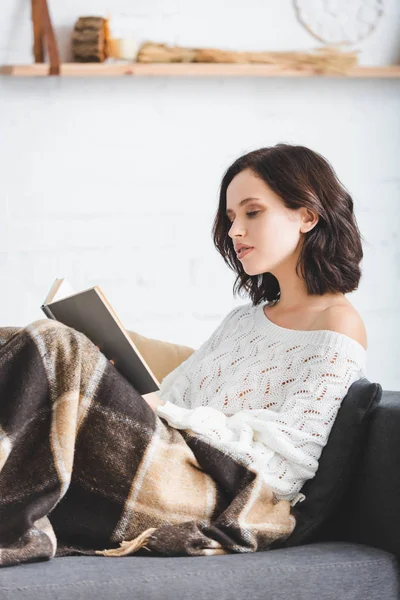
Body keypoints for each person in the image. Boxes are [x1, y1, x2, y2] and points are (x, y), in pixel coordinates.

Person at [144, 143, 368, 508]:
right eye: (232, 217)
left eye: (252, 212)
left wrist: (161, 412)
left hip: (206, 494)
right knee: (54, 348)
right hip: (158, 461)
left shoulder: (336, 325)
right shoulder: (242, 321)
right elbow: (169, 402)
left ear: (307, 216)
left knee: (61, 350)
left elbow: (280, 470)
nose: (234, 231)